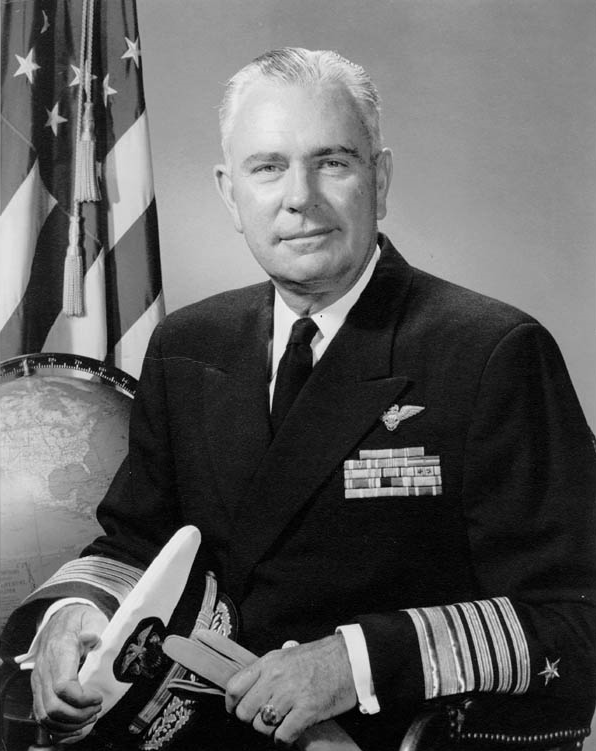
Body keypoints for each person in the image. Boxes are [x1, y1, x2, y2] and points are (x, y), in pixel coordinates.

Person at [1, 47, 595, 751]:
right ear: (230, 193)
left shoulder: (491, 352)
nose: (299, 198)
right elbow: (136, 541)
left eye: (332, 162)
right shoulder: (188, 345)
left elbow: (575, 615)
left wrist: (356, 661)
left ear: (380, 180)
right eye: (267, 167)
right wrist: (77, 612)